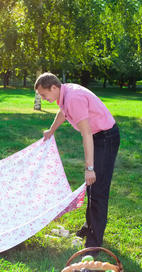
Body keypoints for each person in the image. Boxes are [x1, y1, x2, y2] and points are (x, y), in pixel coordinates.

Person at [35, 72, 120, 255]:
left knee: (98, 190)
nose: (43, 98)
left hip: (105, 137)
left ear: (54, 88)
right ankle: (88, 227)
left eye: (44, 95)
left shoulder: (73, 98)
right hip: (98, 136)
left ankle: (94, 243)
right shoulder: (64, 94)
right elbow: (63, 113)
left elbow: (87, 134)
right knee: (91, 187)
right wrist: (51, 130)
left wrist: (90, 168)